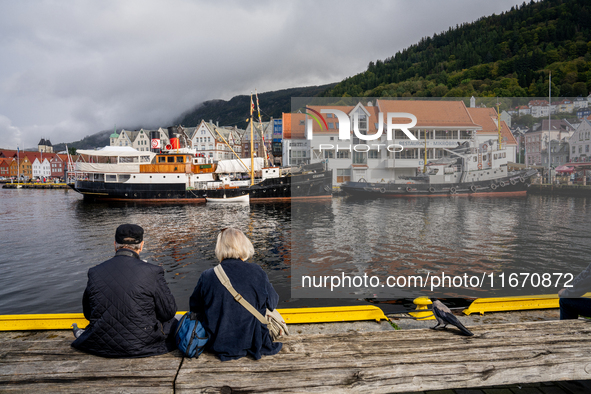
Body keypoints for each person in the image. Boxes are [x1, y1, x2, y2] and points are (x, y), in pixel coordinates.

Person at [71, 224, 178, 358]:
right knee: (174, 321)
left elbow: (88, 313)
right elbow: (168, 312)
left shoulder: (95, 272)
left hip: (101, 345)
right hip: (143, 345)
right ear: (142, 245)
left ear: (115, 244)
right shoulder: (153, 271)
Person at [189, 227, 282, 361]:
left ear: (219, 248)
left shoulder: (207, 275)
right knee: (272, 314)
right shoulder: (256, 271)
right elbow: (272, 303)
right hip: (253, 342)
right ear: (244, 246)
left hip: (216, 343)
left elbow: (195, 309)